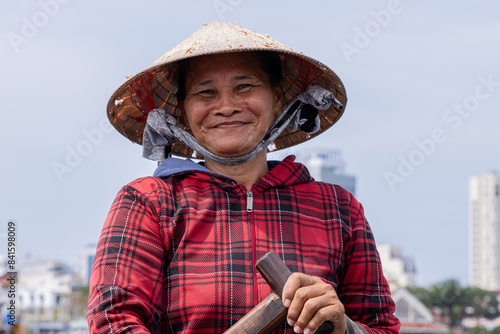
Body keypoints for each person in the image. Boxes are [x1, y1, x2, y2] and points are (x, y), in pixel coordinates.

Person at [87, 21, 401, 334]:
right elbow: (113, 319)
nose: (226, 107)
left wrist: (342, 327)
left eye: (245, 87)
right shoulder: (150, 202)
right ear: (181, 112)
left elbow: (381, 327)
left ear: (277, 99)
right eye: (205, 92)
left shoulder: (338, 209)